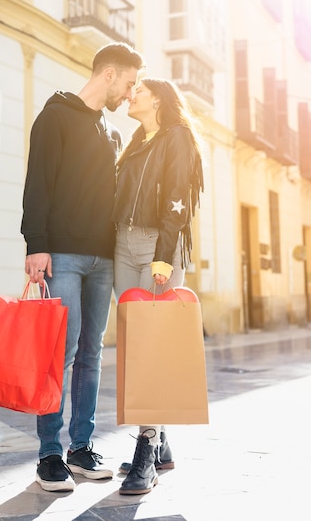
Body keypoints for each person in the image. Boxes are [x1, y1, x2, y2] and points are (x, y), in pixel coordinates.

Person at [21, 42, 145, 493]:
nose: (130, 94)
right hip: (64, 256)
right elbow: (38, 184)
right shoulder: (55, 116)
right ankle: (49, 453)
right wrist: (37, 244)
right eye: (129, 83)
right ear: (109, 75)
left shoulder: (111, 134)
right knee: (61, 350)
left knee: (91, 353)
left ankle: (81, 447)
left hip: (104, 259)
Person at [112, 77, 204, 495]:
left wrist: (164, 256)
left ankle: (145, 452)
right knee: (136, 343)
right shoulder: (136, 142)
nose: (131, 96)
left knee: (154, 349)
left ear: (159, 99)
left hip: (157, 247)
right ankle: (162, 441)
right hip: (122, 244)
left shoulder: (177, 137)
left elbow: (178, 202)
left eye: (139, 91)